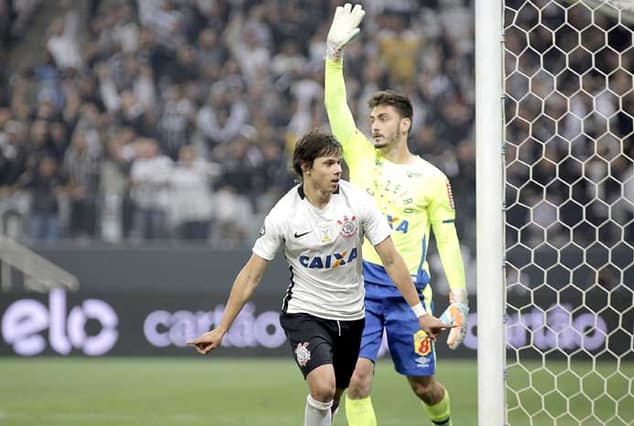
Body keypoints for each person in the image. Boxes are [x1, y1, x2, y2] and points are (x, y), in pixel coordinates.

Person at [187, 130, 453, 426]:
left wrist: (420, 313)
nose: (338, 169)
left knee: (334, 396)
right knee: (323, 387)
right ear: (305, 166)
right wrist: (221, 329)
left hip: (352, 315)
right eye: (328, 163)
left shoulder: (359, 203)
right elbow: (251, 274)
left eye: (339, 163)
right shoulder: (284, 215)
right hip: (306, 313)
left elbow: (391, 259)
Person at [324, 4, 470, 426]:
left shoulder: (432, 178)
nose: (374, 125)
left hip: (412, 295)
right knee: (357, 380)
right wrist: (333, 55)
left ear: (405, 124)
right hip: (363, 288)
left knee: (424, 387)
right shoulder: (360, 155)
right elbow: (337, 109)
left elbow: (446, 240)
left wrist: (458, 299)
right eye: (372, 118)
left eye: (384, 118)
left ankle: (443, 421)